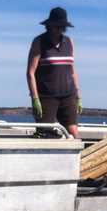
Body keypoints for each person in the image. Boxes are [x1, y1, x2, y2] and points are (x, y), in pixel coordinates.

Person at [26, 7, 82, 138]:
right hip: (46, 96)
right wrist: (35, 98)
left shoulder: (69, 42)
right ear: (49, 26)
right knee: (46, 133)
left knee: (74, 132)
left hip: (68, 94)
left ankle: (80, 158)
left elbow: (72, 71)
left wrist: (78, 96)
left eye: (62, 27)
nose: (59, 30)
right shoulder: (39, 42)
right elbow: (30, 72)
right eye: (56, 26)